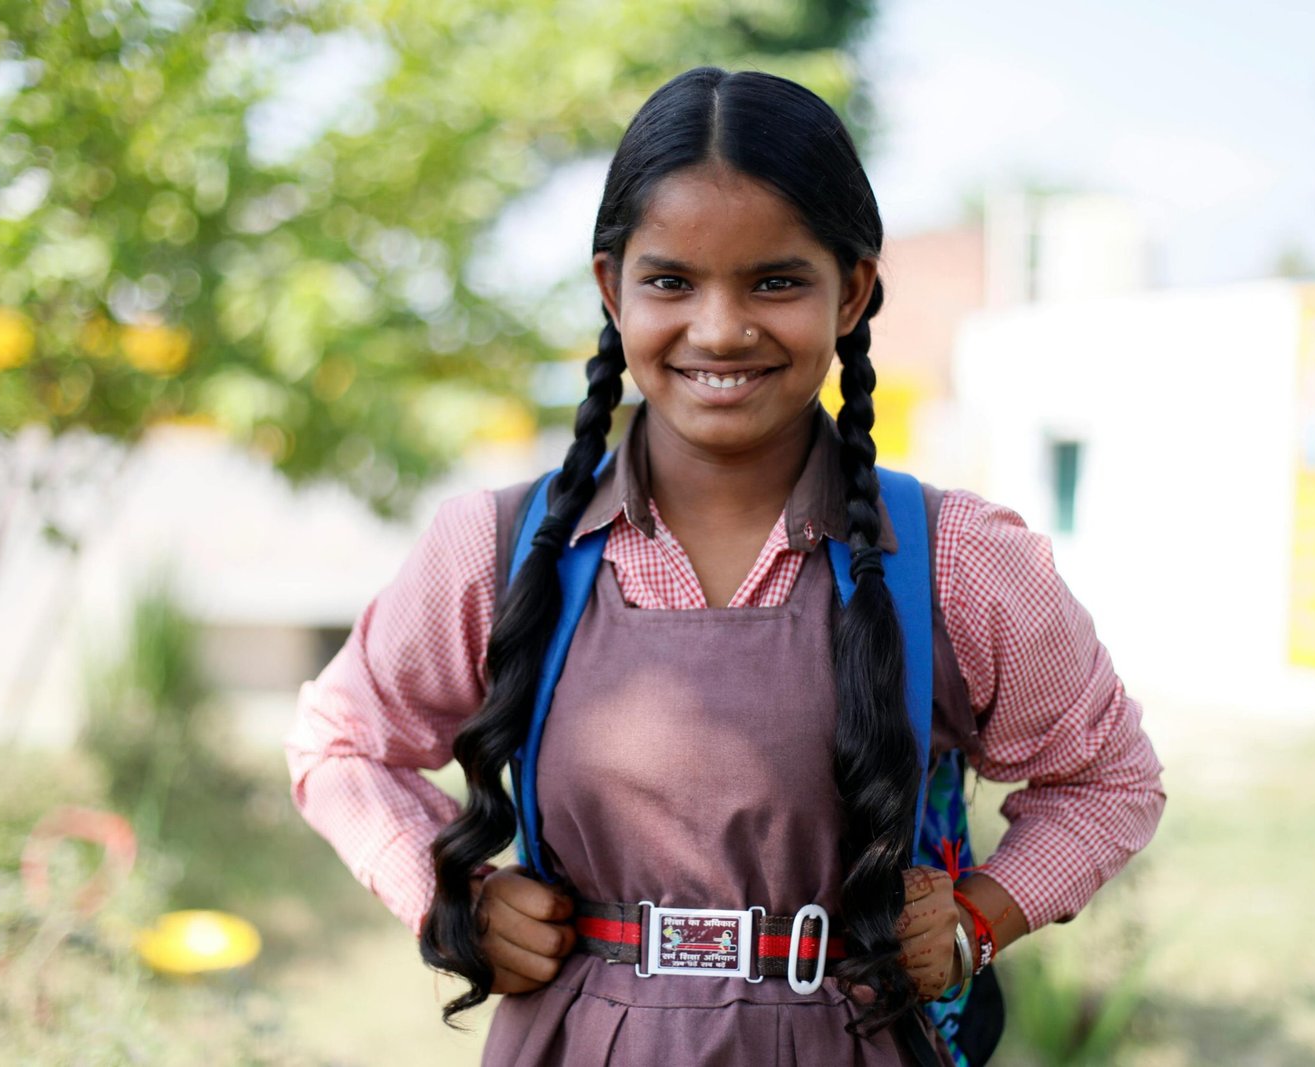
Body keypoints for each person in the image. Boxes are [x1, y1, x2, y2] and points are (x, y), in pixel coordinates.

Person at [285, 67, 1165, 1066]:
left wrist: (982, 912)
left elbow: (1107, 776)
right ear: (611, 288)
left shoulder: (954, 560)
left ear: (853, 292)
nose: (719, 328)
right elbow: (340, 740)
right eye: (670, 281)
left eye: (775, 281)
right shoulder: (499, 550)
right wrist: (450, 897)